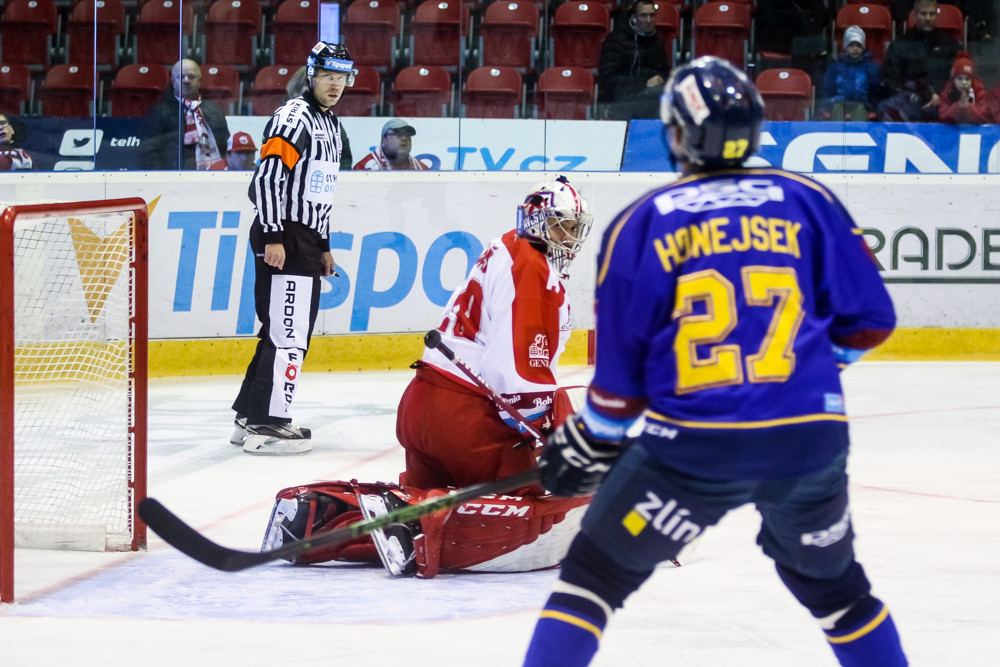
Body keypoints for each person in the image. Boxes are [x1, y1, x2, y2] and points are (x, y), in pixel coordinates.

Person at [522, 57, 907, 667]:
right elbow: (872, 319)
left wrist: (592, 439)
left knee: (591, 582)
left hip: (694, 448)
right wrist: (803, 370)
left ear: (676, 133)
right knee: (840, 595)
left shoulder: (643, 221)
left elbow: (619, 386)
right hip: (806, 438)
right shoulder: (808, 199)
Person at [259, 177, 596, 578]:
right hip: (468, 423)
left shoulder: (505, 247)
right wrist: (543, 429)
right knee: (529, 515)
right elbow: (514, 367)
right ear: (537, 220)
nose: (570, 237)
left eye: (574, 228)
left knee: (415, 520)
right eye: (562, 225)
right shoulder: (532, 267)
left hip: (422, 407)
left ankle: (323, 518)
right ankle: (407, 514)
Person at [230, 42, 355, 456]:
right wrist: (273, 235)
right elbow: (268, 179)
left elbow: (319, 192)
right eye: (328, 76)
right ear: (311, 75)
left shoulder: (330, 124)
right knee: (289, 331)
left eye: (342, 77)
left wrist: (324, 245)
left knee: (281, 328)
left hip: (304, 239)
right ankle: (268, 422)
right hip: (284, 234)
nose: (335, 84)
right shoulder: (294, 118)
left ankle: (249, 414)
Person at [878, 0, 961, 122]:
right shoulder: (900, 44)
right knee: (884, 108)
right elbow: (891, 78)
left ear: (936, 16)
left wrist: (942, 95)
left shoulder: (950, 45)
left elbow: (959, 76)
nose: (928, 18)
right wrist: (913, 95)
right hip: (909, 101)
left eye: (931, 14)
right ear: (915, 15)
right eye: (923, 14)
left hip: (943, 102)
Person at [143, 59, 229, 170]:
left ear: (200, 81)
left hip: (213, 174)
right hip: (174, 176)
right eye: (180, 77)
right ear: (173, 82)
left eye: (191, 77)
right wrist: (162, 176)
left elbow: (226, 147)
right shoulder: (159, 112)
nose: (186, 81)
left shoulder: (215, 110)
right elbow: (148, 151)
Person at [596, 0, 671, 120]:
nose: (648, 20)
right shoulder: (616, 40)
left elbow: (664, 71)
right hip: (619, 100)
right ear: (633, 18)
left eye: (652, 15)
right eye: (643, 15)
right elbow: (608, 79)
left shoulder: (657, 41)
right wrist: (644, 83)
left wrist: (661, 78)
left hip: (648, 97)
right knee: (662, 96)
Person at [818, 25, 883, 121]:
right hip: (838, 103)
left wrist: (872, 108)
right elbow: (827, 90)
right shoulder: (835, 69)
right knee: (837, 110)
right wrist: (826, 107)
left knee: (860, 111)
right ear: (845, 46)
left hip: (862, 105)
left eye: (859, 45)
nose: (855, 48)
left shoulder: (870, 68)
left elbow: (875, 91)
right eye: (851, 45)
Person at [352, 119, 427, 170]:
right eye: (397, 134)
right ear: (383, 141)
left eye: (407, 134)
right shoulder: (364, 168)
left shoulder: (422, 169)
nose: (404, 138)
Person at [938, 52, 991, 124]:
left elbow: (983, 118)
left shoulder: (979, 92)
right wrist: (958, 106)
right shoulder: (947, 92)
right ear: (953, 80)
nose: (964, 82)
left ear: (972, 80)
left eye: (967, 79)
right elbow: (942, 118)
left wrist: (968, 107)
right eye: (960, 78)